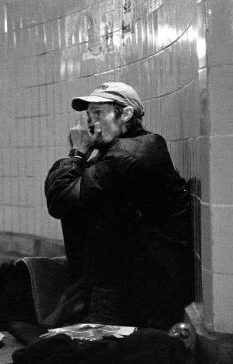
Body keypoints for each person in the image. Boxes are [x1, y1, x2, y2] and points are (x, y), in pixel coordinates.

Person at [44, 82, 194, 329]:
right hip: (144, 279)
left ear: (125, 114)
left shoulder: (128, 154)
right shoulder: (132, 147)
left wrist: (77, 151)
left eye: (98, 113)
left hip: (142, 289)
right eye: (88, 114)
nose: (89, 123)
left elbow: (60, 200)